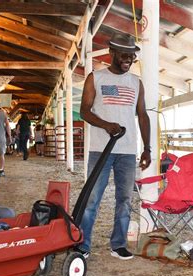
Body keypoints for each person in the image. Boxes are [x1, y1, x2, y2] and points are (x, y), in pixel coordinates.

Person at [77, 32, 151, 260]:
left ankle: (118, 244)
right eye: (124, 55)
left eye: (132, 56)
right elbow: (85, 111)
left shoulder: (135, 82)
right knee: (92, 199)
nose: (128, 59)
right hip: (101, 149)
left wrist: (147, 148)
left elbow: (142, 116)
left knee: (125, 200)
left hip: (127, 152)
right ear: (111, 52)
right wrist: (106, 125)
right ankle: (82, 244)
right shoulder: (95, 78)